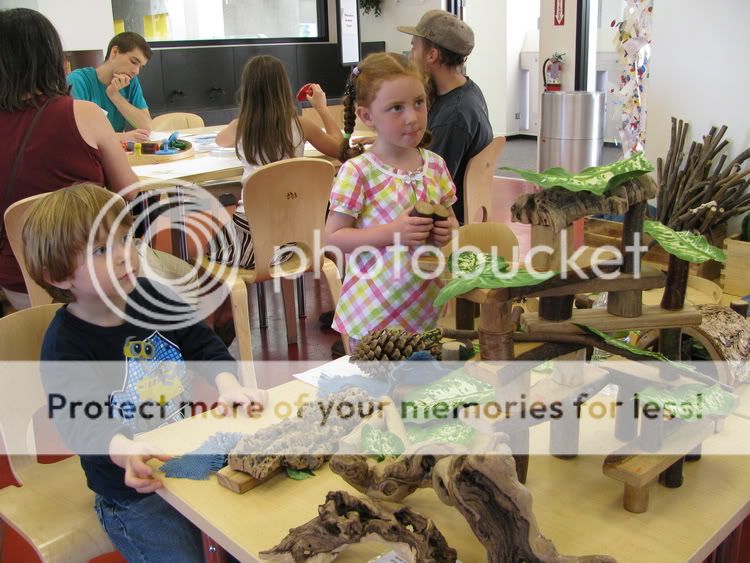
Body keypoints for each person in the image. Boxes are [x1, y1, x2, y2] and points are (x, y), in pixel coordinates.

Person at [24, 183, 268, 561]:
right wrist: (125, 451)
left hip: (187, 458)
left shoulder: (154, 295)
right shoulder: (65, 345)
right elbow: (79, 420)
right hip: (132, 492)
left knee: (252, 535)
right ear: (58, 276)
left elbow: (203, 345)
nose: (125, 255)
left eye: (126, 239)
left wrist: (228, 384)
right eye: (101, 250)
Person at [0, 8, 138, 310]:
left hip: (19, 284)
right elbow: (130, 191)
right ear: (52, 57)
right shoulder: (83, 113)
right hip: (96, 280)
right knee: (186, 281)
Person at [325, 52, 459, 348]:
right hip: (373, 316)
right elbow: (333, 237)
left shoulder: (435, 166)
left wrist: (447, 230)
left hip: (428, 312)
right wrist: (392, 233)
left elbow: (452, 222)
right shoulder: (359, 171)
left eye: (418, 103)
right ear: (367, 116)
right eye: (396, 108)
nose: (412, 117)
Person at [212, 54, 343, 267]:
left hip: (249, 238)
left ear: (247, 91)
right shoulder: (301, 125)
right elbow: (339, 148)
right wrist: (322, 109)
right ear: (283, 88)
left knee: (209, 244)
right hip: (294, 231)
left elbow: (220, 140)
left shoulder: (239, 126)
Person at [398, 10, 492, 223]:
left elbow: (427, 185)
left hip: (441, 221)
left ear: (432, 55)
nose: (410, 56)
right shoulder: (468, 91)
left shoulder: (453, 117)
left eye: (414, 48)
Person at [67, 32, 152, 142]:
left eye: (140, 66)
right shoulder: (78, 80)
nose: (136, 71)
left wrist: (114, 95)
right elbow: (79, 133)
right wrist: (123, 137)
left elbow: (147, 126)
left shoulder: (131, 82)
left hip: (117, 149)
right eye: (133, 62)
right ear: (114, 52)